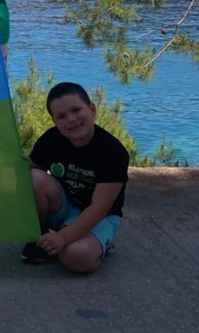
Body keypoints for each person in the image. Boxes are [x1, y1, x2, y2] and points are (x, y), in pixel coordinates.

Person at [22, 82, 130, 273]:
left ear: (92, 109)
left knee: (75, 256)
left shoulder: (113, 152)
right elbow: (35, 172)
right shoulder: (51, 139)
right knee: (34, 177)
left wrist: (63, 238)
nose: (71, 119)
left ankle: (99, 243)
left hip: (101, 217)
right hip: (65, 207)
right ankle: (40, 236)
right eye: (61, 116)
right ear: (55, 121)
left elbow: (100, 207)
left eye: (76, 110)